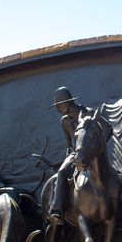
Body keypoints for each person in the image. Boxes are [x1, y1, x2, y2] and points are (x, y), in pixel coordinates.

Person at [48, 86, 111, 225]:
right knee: (62, 172)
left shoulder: (89, 112)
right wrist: (68, 157)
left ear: (66, 103)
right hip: (75, 153)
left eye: (58, 106)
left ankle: (115, 209)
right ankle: (57, 209)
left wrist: (97, 146)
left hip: (93, 151)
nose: (57, 109)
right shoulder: (64, 121)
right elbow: (68, 143)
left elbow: (108, 129)